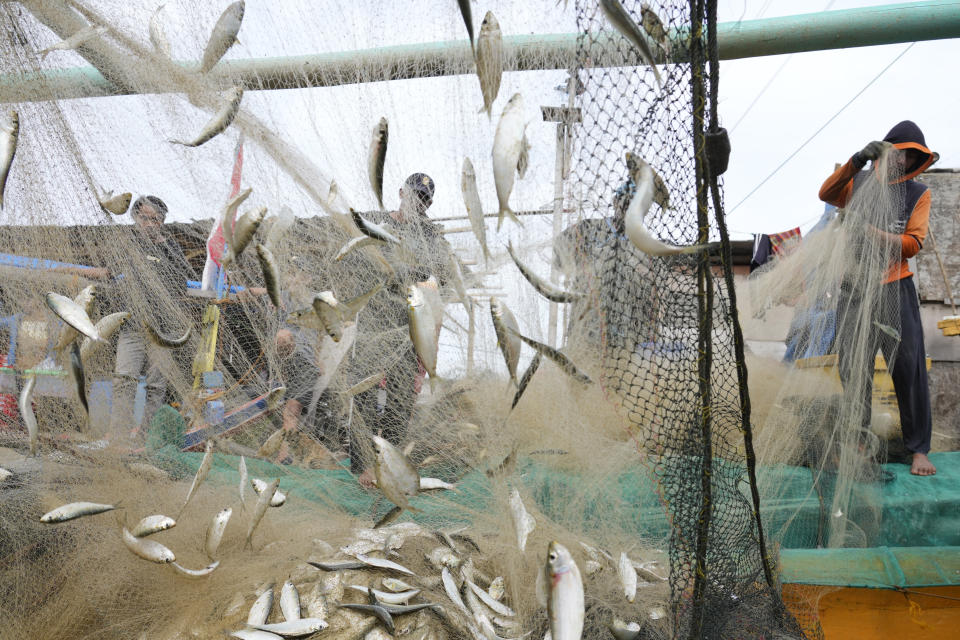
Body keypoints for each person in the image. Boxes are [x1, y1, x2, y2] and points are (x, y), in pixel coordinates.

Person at [819, 120, 938, 476]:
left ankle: (918, 450)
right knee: (854, 369)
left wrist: (870, 231)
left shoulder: (919, 193)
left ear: (914, 160)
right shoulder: (857, 181)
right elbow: (826, 194)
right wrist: (856, 160)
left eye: (908, 156)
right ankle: (858, 441)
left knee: (909, 368)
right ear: (884, 153)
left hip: (894, 287)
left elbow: (912, 244)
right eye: (896, 153)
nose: (900, 161)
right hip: (854, 289)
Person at [349, 172, 453, 487]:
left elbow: (439, 283)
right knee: (363, 395)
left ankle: (390, 465)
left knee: (399, 400)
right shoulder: (377, 222)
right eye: (413, 195)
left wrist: (425, 364)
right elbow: (358, 260)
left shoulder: (431, 237)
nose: (417, 203)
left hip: (407, 326)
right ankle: (363, 468)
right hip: (373, 321)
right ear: (400, 193)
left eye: (424, 200)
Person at [108, 195, 193, 443]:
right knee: (124, 380)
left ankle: (146, 438)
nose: (150, 223)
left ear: (162, 221)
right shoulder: (127, 243)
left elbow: (182, 281)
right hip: (132, 326)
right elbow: (112, 270)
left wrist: (161, 243)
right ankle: (119, 438)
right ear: (135, 218)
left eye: (156, 219)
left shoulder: (172, 248)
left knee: (157, 386)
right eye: (145, 218)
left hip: (162, 331)